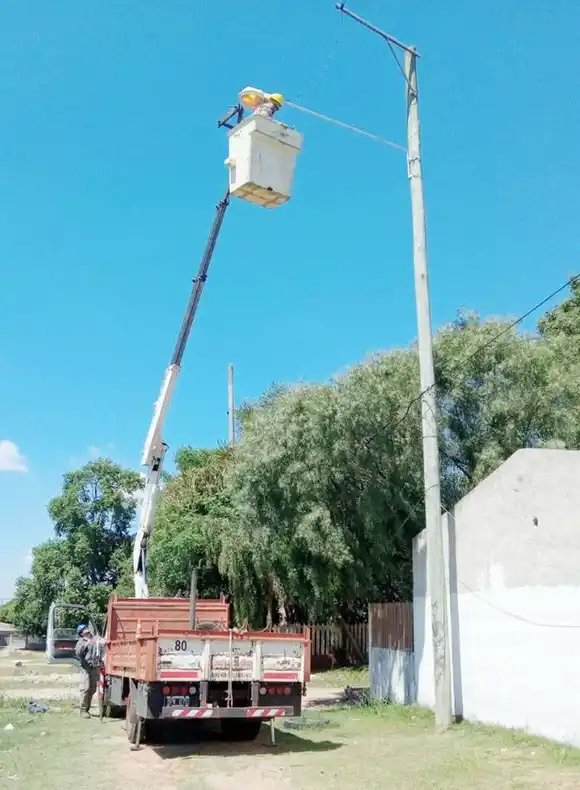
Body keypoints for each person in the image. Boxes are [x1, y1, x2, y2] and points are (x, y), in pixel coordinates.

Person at [74, 624, 100, 718]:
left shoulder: (95, 639)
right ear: (81, 633)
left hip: (94, 668)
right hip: (85, 668)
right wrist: (86, 644)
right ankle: (83, 710)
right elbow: (78, 652)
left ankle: (87, 709)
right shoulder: (81, 642)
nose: (87, 630)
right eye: (84, 629)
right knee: (85, 688)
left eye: (87, 628)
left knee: (93, 689)